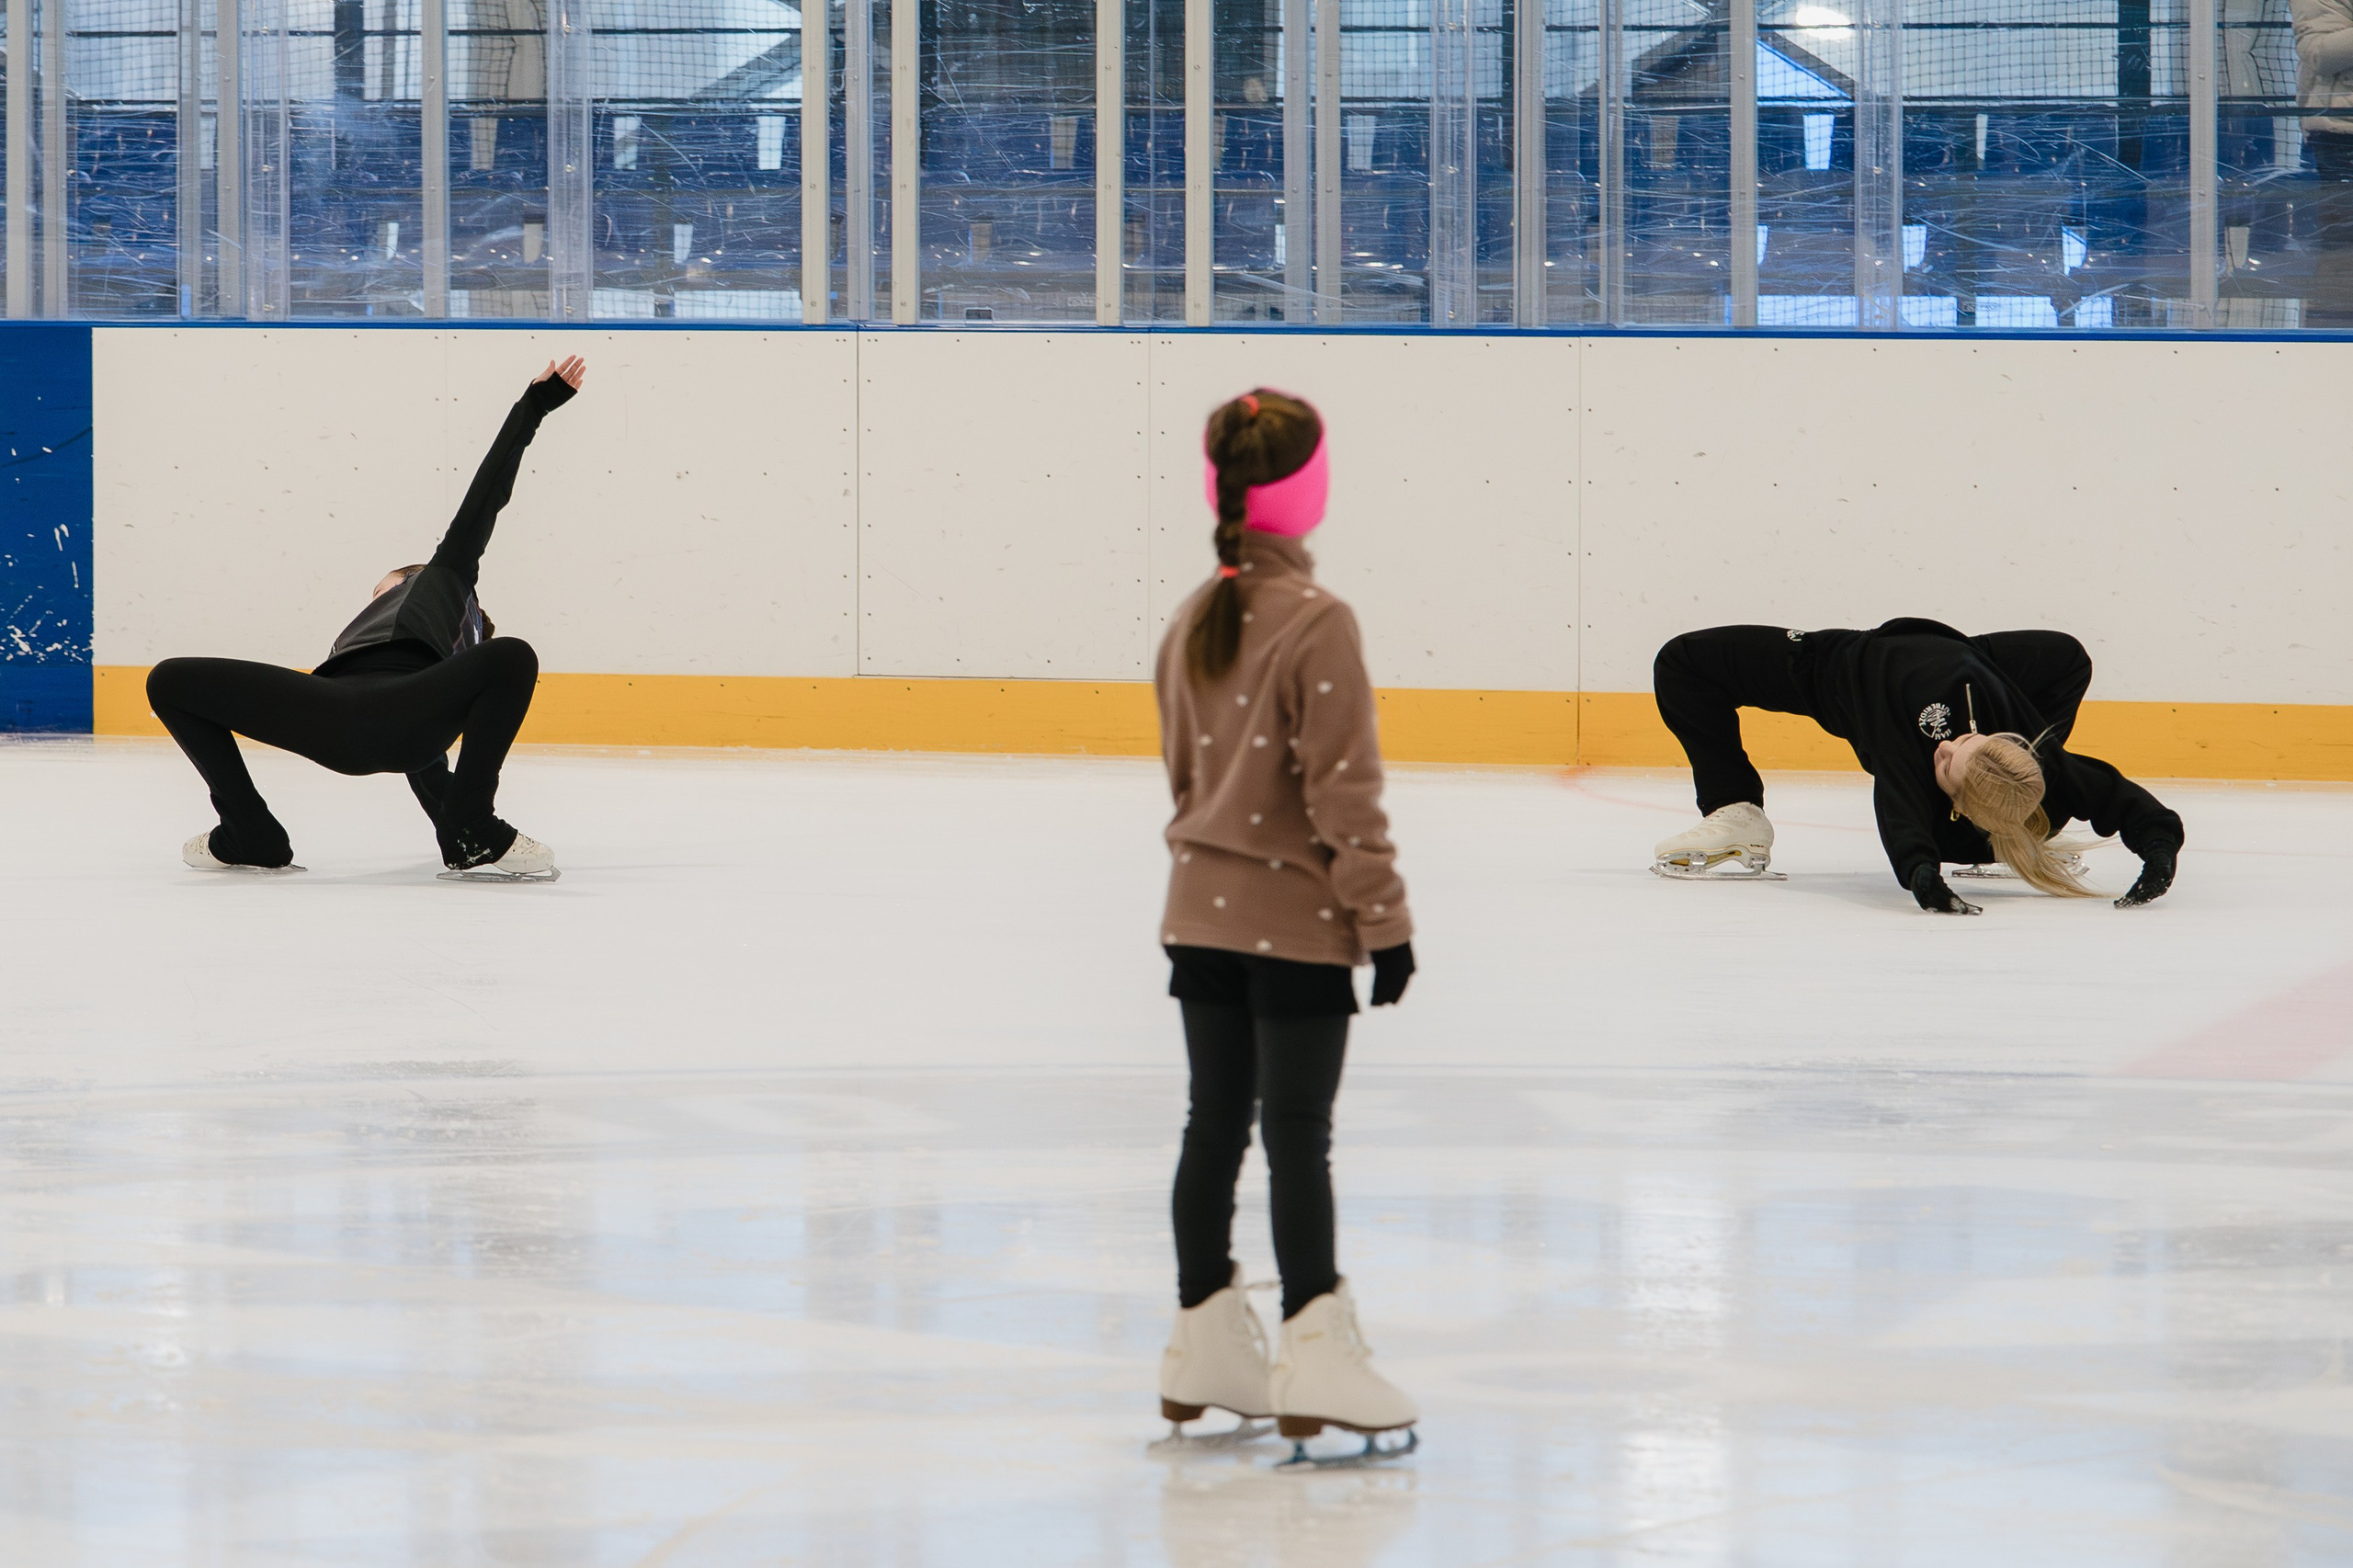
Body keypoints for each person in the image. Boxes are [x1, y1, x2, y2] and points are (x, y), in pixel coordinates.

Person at [1151, 388, 1420, 1467]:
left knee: (1213, 1123)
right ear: (1306, 492)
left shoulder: (1191, 615)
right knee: (1297, 1133)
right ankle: (1314, 1352)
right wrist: (1384, 924)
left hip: (1196, 916)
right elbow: (1342, 792)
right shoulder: (1317, 620)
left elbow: (1183, 774)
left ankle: (1203, 1343)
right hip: (1296, 925)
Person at [147, 357, 586, 881]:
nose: (373, 595)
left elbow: (482, 503)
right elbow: (425, 765)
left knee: (512, 655)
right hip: (362, 716)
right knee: (170, 681)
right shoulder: (440, 667)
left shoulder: (440, 579)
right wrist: (451, 826)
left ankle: (472, 829)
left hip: (352, 720)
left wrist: (533, 407)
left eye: (381, 586)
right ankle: (252, 833)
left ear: (405, 581)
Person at [1648, 619, 2183, 914]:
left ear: (1952, 801)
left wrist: (1922, 875)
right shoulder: (2033, 752)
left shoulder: (1905, 757)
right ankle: (2013, 817)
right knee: (2065, 656)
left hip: (1842, 671)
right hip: (1954, 655)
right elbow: (2113, 789)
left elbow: (1901, 816)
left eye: (1946, 767)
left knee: (1682, 662)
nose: (1945, 748)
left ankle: (1734, 809)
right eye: (1965, 744)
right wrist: (2159, 847)